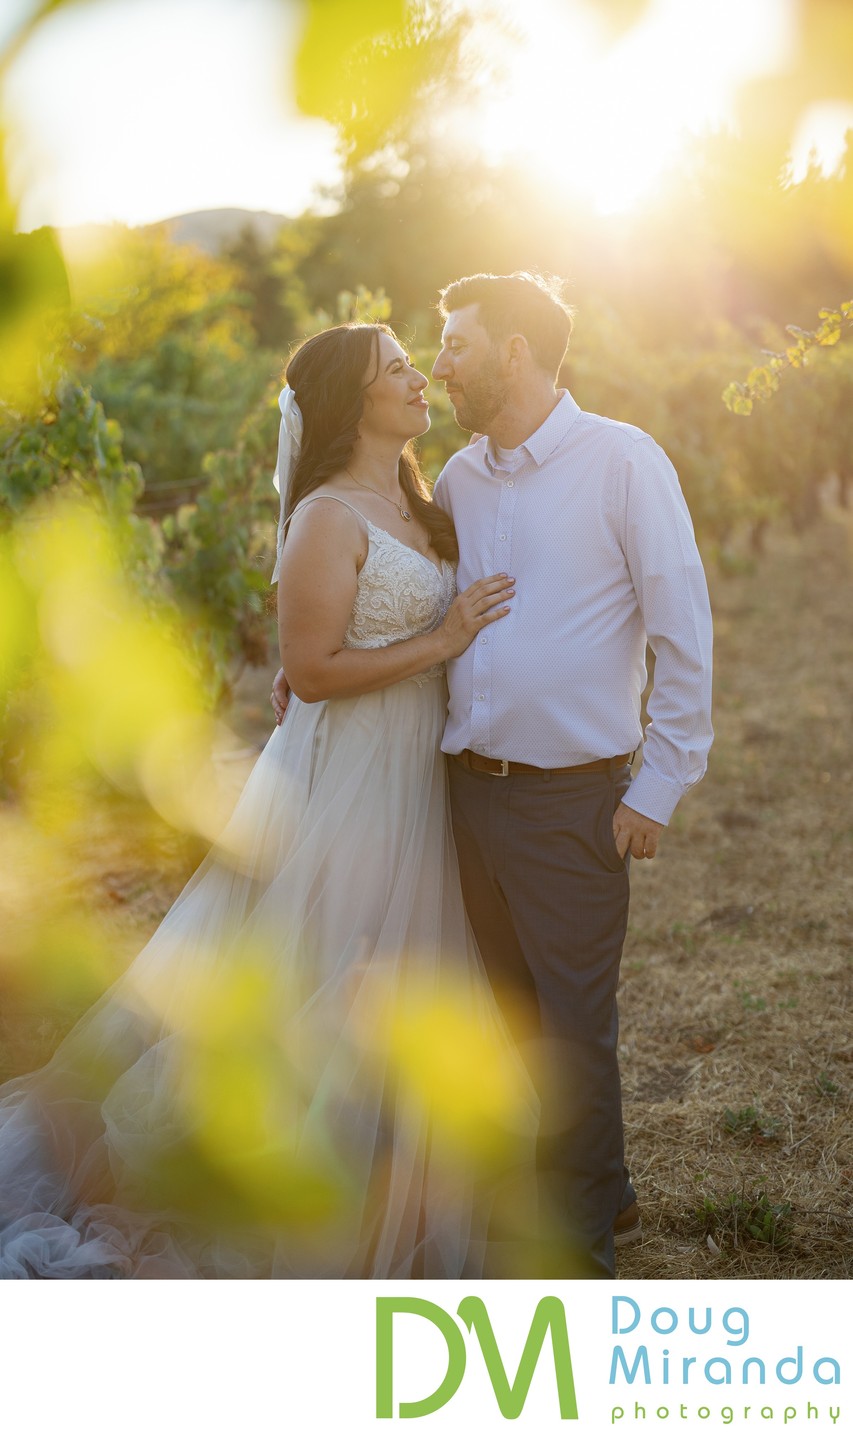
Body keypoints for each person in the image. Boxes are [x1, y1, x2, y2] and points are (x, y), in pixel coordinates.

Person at [0, 321, 535, 1280]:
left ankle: (373, 1177)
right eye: (398, 371)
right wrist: (443, 641)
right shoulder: (326, 514)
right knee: (320, 971)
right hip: (348, 781)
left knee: (390, 978)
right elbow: (310, 670)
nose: (420, 380)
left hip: (416, 772)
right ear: (352, 402)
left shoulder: (421, 496)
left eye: (416, 364)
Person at [273, 272, 715, 1280]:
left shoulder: (621, 463)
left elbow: (681, 632)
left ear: (514, 351)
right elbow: (388, 609)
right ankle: (596, 1192)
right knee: (503, 1020)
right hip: (459, 794)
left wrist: (658, 785)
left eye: (456, 345)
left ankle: (578, 1252)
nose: (439, 366)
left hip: (572, 799)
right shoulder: (455, 484)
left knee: (570, 1029)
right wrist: (304, 677)